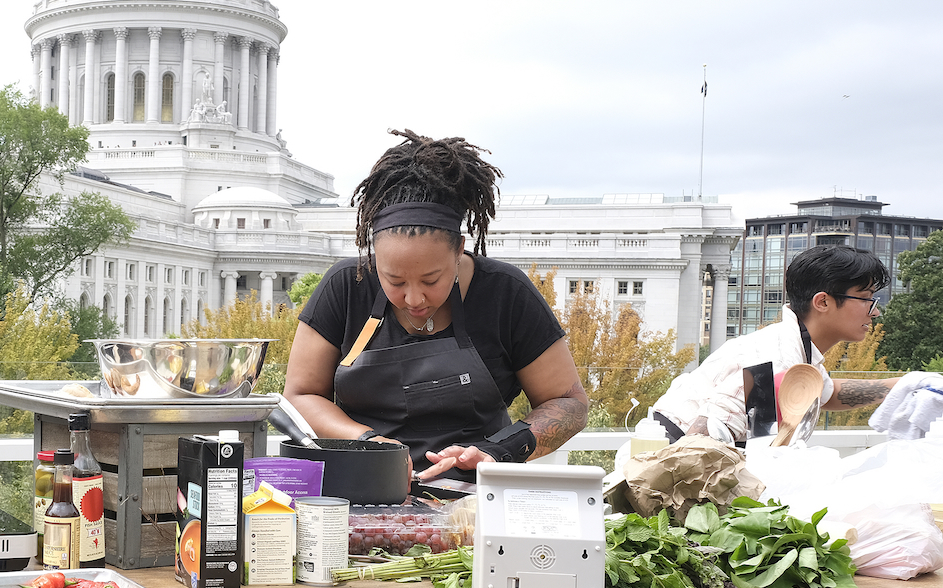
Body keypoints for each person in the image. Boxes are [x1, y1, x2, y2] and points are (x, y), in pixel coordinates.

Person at [285, 130, 588, 495]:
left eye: (432, 279)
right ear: (373, 256)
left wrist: (499, 451)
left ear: (459, 249)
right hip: (358, 493)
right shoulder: (345, 286)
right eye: (393, 280)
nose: (413, 299)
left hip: (477, 500)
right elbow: (301, 395)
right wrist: (366, 441)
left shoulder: (505, 293)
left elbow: (569, 402)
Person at [650, 244, 902, 445]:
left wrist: (903, 386)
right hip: (674, 464)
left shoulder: (797, 349)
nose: (875, 312)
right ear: (822, 302)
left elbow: (828, 394)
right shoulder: (777, 361)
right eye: (866, 299)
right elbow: (702, 436)